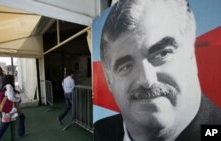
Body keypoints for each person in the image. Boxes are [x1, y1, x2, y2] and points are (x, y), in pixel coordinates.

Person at [94, 0, 221, 141]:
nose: (147, 80)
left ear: (192, 55)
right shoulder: (101, 131)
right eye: (126, 66)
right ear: (108, 79)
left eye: (163, 54)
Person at [0, 75, 26, 141]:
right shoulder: (9, 85)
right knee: (5, 125)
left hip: (10, 109)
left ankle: (21, 133)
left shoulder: (5, 86)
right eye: (13, 79)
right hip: (10, 109)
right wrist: (18, 99)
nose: (14, 80)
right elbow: (10, 97)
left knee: (22, 118)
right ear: (10, 80)